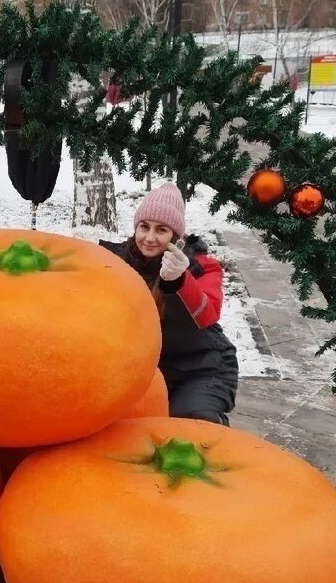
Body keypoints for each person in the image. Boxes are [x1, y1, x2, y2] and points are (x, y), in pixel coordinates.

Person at [101, 182, 239, 425]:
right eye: (144, 227)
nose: (150, 238)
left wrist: (178, 281)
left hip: (200, 368)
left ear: (176, 236)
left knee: (192, 424)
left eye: (161, 230)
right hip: (144, 371)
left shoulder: (202, 267)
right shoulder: (114, 261)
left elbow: (207, 313)